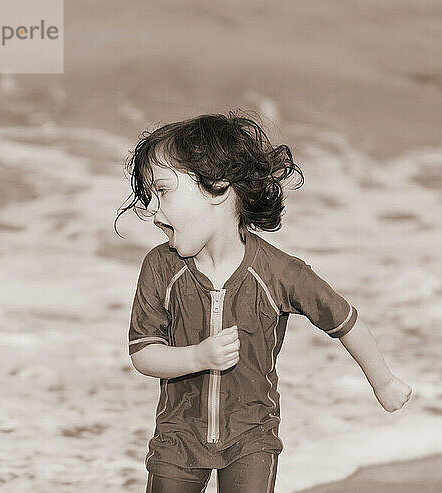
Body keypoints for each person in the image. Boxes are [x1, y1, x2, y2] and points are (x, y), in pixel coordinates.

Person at [116, 112, 412, 493]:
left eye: (163, 191)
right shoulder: (160, 267)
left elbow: (345, 321)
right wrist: (197, 358)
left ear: (218, 185)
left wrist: (383, 382)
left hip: (251, 435)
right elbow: (143, 353)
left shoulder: (279, 272)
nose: (153, 211)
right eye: (149, 197)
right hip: (178, 436)